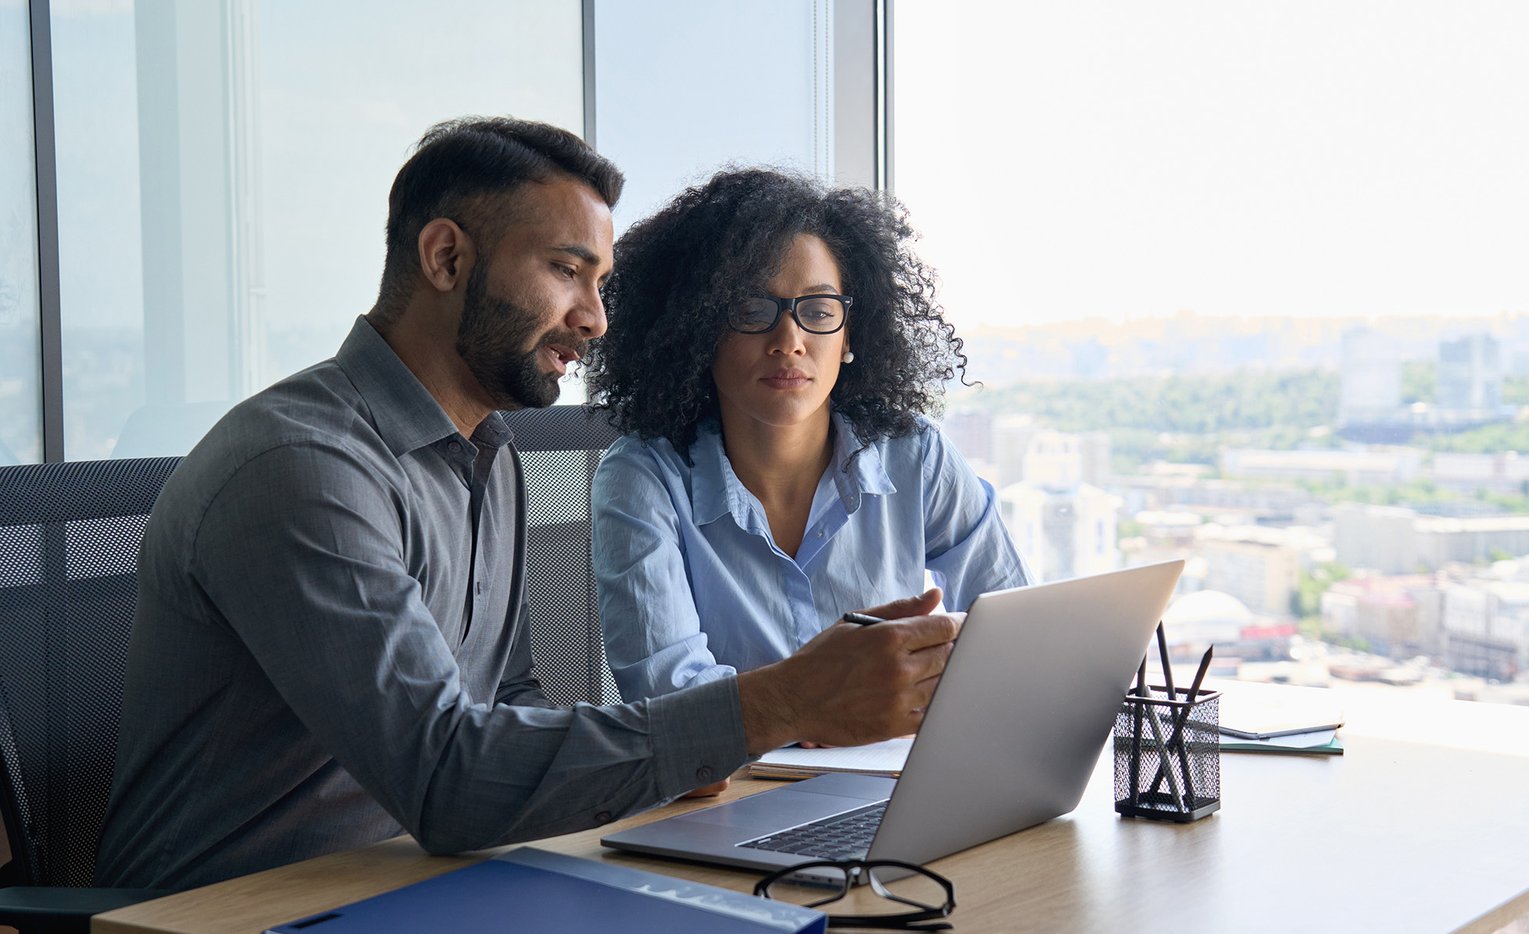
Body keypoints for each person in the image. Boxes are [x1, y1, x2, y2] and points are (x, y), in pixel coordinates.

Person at [94, 119, 959, 891]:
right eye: (566, 272)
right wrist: (774, 705)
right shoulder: (303, 468)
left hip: (424, 883)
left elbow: (507, 701)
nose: (595, 319)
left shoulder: (489, 456)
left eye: (601, 281)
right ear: (446, 259)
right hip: (236, 910)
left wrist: (678, 749)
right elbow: (446, 779)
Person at [585, 169, 1029, 727]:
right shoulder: (641, 477)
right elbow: (674, 707)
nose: (789, 341)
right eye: (752, 310)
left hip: (893, 776)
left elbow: (1013, 630)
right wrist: (811, 709)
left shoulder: (913, 453)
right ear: (698, 331)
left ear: (850, 337)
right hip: (731, 799)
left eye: (818, 311)